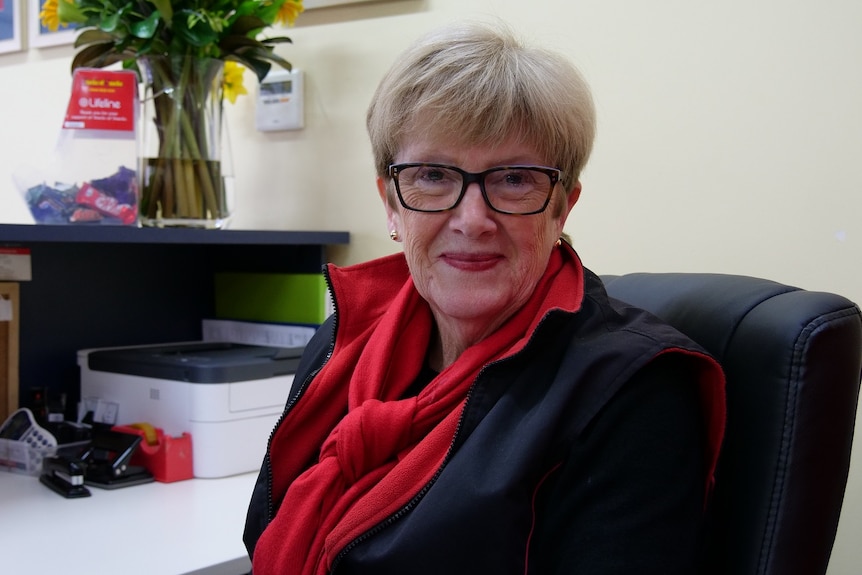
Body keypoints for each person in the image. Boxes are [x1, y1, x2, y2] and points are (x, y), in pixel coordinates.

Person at [244, 20, 726, 575]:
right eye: (431, 175)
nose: (472, 220)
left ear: (562, 207)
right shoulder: (343, 341)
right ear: (391, 204)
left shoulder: (632, 391)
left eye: (514, 179)